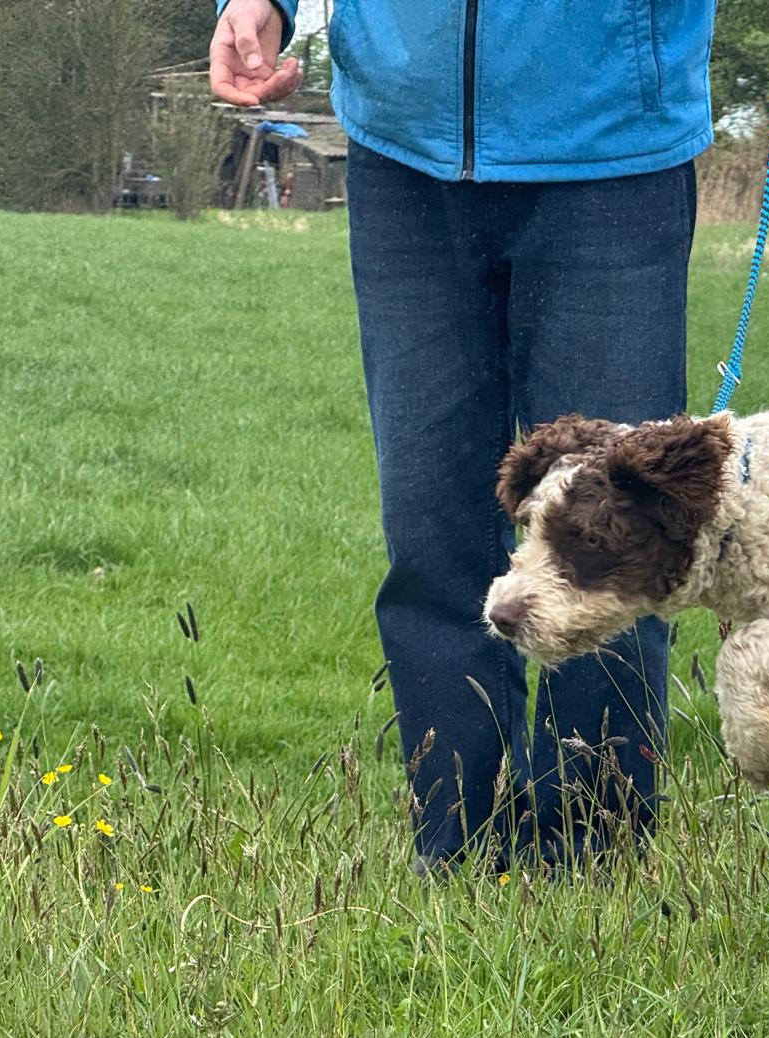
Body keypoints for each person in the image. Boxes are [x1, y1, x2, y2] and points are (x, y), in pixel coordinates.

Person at [211, 0, 714, 873]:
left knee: (614, 537)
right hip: (403, 150)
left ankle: (593, 862)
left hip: (611, 147)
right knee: (431, 529)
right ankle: (453, 855)